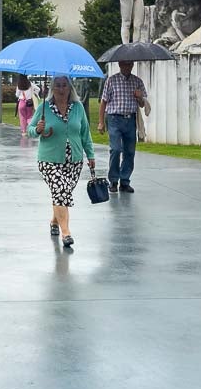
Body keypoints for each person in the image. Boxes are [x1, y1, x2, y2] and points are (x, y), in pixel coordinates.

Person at [30, 76, 97, 249]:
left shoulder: (78, 107)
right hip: (49, 160)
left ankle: (54, 220)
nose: (61, 89)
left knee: (61, 194)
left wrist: (90, 155)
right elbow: (30, 130)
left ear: (70, 88)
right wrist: (37, 129)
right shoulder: (45, 107)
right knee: (60, 190)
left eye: (64, 85)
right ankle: (66, 232)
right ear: (53, 88)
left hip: (74, 160)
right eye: (58, 85)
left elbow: (85, 133)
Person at [98, 59, 148, 193]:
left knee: (129, 152)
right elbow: (103, 102)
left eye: (130, 64)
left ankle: (125, 181)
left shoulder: (137, 81)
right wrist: (101, 122)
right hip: (114, 118)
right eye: (125, 64)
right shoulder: (111, 80)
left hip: (130, 119)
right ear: (119, 65)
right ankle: (113, 180)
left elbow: (143, 104)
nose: (127, 66)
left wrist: (139, 97)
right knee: (115, 149)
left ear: (132, 65)